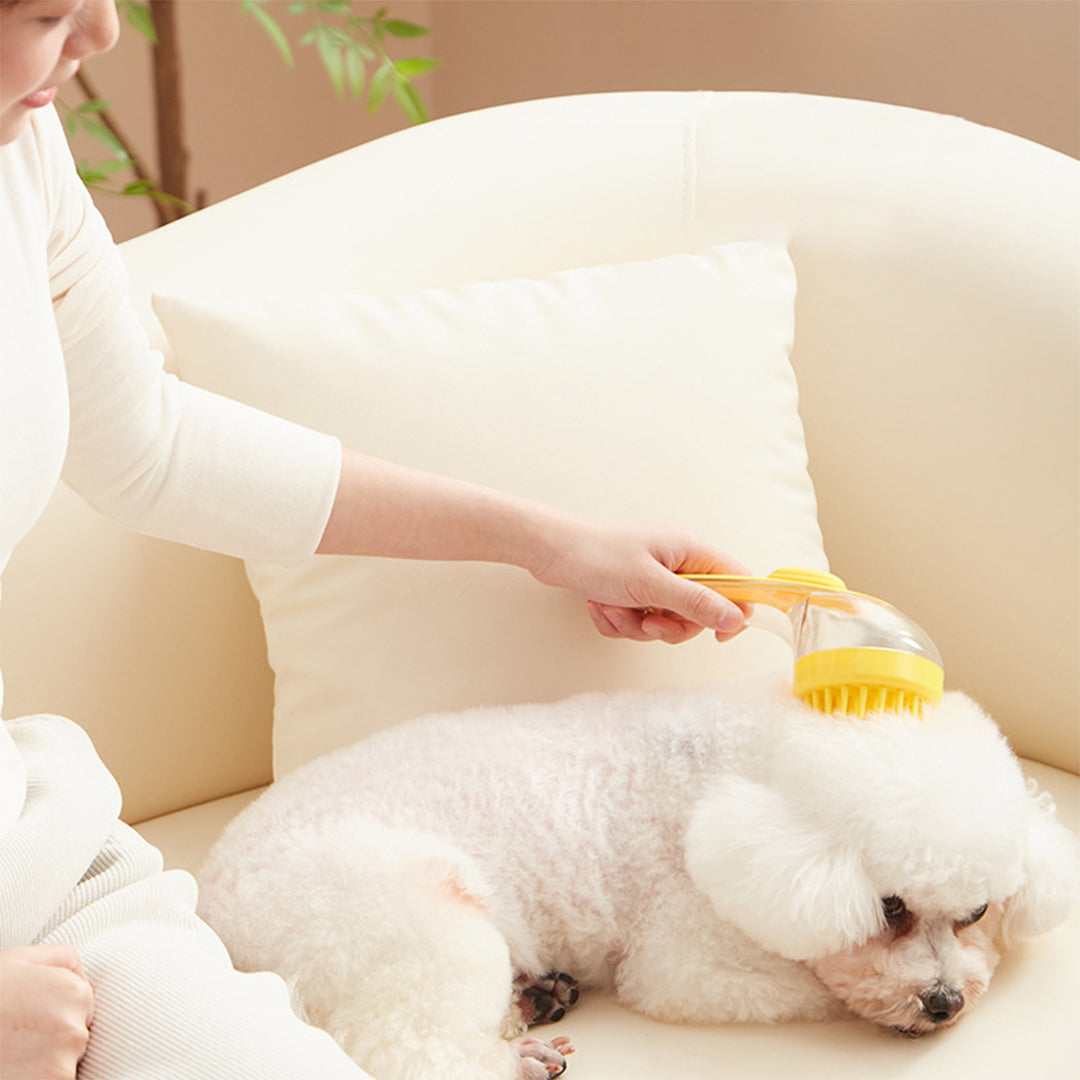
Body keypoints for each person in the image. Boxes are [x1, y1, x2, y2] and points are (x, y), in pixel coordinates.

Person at [0, 2, 748, 1077]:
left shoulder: (20, 157)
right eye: (48, 10)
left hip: (33, 853)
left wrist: (542, 538)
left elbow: (153, 446)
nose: (104, 33)